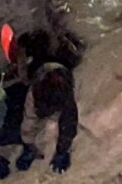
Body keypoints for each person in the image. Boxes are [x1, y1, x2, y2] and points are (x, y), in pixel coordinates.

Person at [10, 30, 80, 175]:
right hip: (40, 72)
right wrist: (28, 145)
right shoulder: (33, 87)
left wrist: (62, 151)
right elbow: (28, 122)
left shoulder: (65, 96)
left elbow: (69, 125)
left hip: (57, 67)